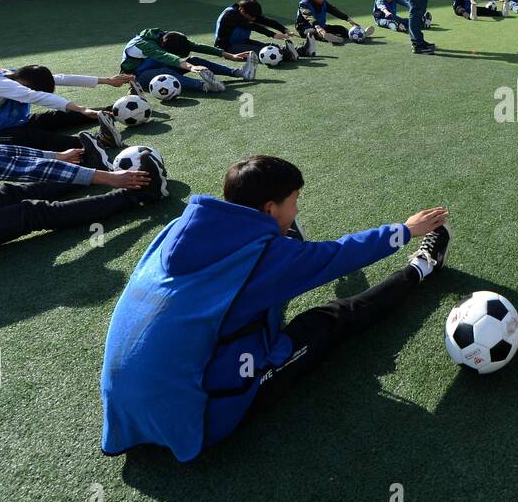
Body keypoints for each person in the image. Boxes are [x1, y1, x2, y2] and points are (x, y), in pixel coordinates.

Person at [100, 154, 451, 462]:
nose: (297, 209)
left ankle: (285, 242)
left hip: (122, 415)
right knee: (330, 319)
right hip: (196, 420)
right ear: (269, 208)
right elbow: (342, 254)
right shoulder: (266, 258)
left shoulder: (178, 229)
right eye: (294, 202)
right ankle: (422, 267)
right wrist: (406, 230)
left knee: (258, 286)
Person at [0, 100, 163, 279]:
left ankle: (94, 172)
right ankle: (137, 194)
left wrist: (56, 156)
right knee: (27, 213)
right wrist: (110, 178)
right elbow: (22, 169)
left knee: (6, 195)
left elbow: (1, 151)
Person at [0, 64, 128, 152]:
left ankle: (113, 110)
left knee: (53, 118)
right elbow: (34, 96)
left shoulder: (15, 74)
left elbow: (60, 78)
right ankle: (99, 142)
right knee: (35, 137)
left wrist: (108, 81)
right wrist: (81, 109)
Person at [121, 28, 257, 93]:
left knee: (194, 59)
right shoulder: (144, 45)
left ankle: (240, 73)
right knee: (165, 70)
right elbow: (167, 57)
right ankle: (204, 86)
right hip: (137, 77)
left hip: (156, 66)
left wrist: (230, 56)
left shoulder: (165, 36)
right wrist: (191, 68)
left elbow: (195, 46)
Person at [214, 0, 298, 62]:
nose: (254, 18)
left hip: (243, 41)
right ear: (242, 11)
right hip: (227, 47)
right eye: (252, 17)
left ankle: (299, 50)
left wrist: (285, 30)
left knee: (269, 47)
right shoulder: (231, 15)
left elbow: (266, 21)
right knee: (262, 52)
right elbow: (254, 26)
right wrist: (274, 35)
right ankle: (288, 54)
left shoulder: (246, 11)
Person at [295, 0, 374, 45]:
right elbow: (309, 16)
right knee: (313, 33)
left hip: (321, 26)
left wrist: (347, 19)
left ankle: (361, 34)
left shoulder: (323, 2)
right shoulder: (303, 5)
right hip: (305, 28)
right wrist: (318, 27)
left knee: (341, 29)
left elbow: (333, 10)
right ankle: (327, 37)